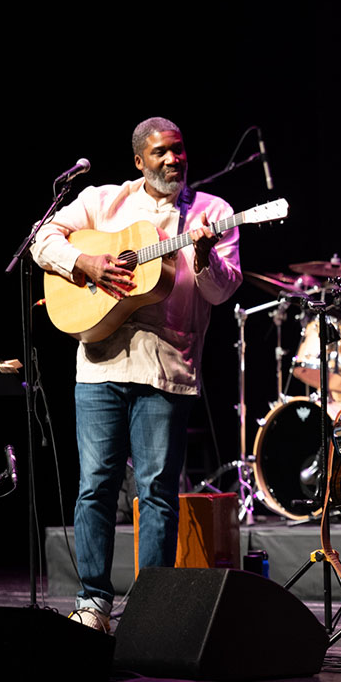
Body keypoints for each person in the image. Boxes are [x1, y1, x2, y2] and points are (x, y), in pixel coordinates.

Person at [32, 117, 242, 632]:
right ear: (139, 160)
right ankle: (93, 604)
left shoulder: (213, 213)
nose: (173, 160)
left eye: (179, 150)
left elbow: (221, 290)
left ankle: (150, 611)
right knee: (96, 485)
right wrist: (85, 262)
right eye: (161, 153)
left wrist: (205, 256)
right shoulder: (104, 200)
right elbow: (41, 239)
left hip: (168, 366)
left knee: (156, 492)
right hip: (100, 358)